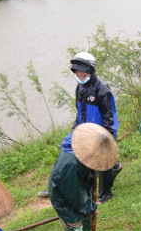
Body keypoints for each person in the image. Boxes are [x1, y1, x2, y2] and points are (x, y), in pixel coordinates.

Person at [39, 52, 121, 204]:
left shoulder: (102, 89)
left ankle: (106, 193)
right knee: (66, 149)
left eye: (82, 71)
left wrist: (108, 138)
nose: (79, 74)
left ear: (91, 70)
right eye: (77, 72)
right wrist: (75, 129)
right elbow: (80, 112)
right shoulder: (80, 87)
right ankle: (59, 184)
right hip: (83, 130)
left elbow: (109, 117)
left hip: (102, 132)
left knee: (104, 165)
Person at [48, 123, 119, 231]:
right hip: (64, 199)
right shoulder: (70, 165)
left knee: (87, 219)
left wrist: (89, 207)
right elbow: (74, 194)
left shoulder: (84, 153)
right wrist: (90, 207)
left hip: (79, 191)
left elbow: (82, 186)